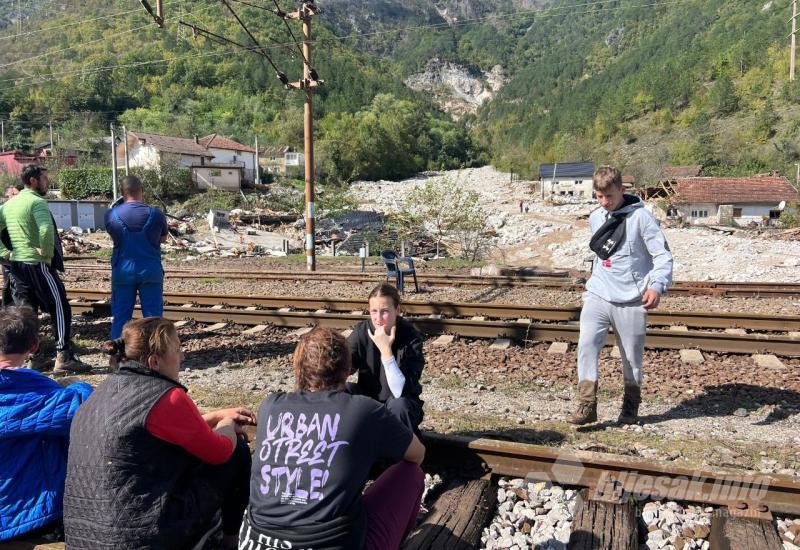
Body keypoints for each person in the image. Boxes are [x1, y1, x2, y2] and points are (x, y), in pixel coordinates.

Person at [63, 317, 255, 550]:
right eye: (176, 350)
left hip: (85, 537)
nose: (182, 357)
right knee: (237, 451)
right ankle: (230, 542)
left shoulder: (100, 392)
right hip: (141, 538)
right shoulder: (167, 397)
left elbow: (143, 434)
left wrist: (212, 417)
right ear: (154, 361)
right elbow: (219, 452)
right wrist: (226, 423)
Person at [240, 327, 425, 550]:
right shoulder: (364, 410)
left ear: (298, 368)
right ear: (347, 370)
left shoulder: (270, 405)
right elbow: (417, 454)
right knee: (410, 472)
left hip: (256, 543)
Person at [568, 166, 673, 426]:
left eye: (609, 197)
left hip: (632, 298)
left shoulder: (642, 219)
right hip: (598, 293)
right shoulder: (596, 217)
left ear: (622, 191)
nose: (605, 203)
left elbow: (662, 256)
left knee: (631, 358)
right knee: (587, 344)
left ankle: (630, 406)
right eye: (599, 197)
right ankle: (587, 404)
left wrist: (657, 285)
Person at [0, 306, 92, 541]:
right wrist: (78, 386)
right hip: (24, 517)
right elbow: (84, 409)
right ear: (34, 346)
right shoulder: (43, 391)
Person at [0, 165, 89, 373]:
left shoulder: (9, 205)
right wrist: (47, 256)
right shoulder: (37, 202)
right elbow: (46, 229)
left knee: (27, 312)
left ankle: (35, 357)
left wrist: (5, 253)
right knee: (60, 306)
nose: (47, 182)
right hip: (37, 263)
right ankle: (63, 356)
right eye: (44, 178)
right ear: (33, 180)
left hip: (17, 266)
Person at [347, 283, 425, 433]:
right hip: (368, 399)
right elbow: (343, 365)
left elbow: (399, 391)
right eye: (374, 311)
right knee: (344, 390)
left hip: (402, 403)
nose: (378, 318)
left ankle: (400, 455)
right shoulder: (362, 331)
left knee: (399, 404)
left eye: (384, 312)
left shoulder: (410, 337)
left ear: (397, 310)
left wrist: (385, 350)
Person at [104, 175, 168, 340]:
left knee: (121, 316)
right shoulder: (157, 214)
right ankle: (156, 355)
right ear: (142, 191)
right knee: (154, 317)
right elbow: (162, 239)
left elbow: (114, 236)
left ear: (121, 193)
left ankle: (118, 356)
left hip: (123, 270)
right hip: (150, 269)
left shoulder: (111, 215)